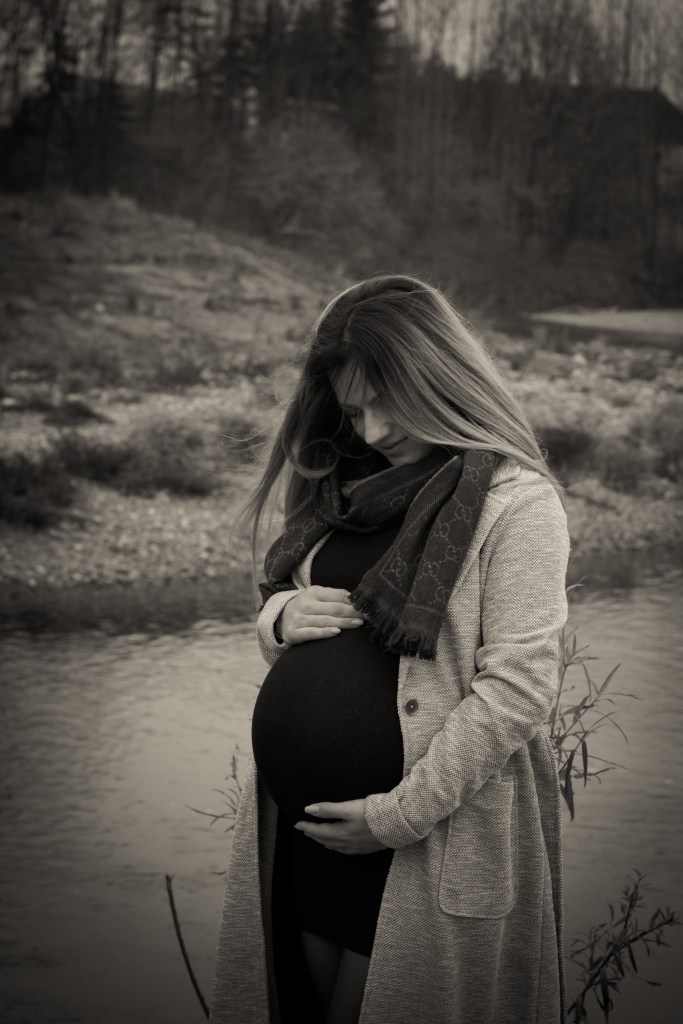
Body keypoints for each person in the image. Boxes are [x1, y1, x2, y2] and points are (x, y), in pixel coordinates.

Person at [209, 274, 571, 1024]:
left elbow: (519, 688)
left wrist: (398, 815)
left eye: (384, 402)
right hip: (309, 840)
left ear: (435, 375)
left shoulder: (517, 502)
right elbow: (290, 603)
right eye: (352, 410)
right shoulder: (345, 484)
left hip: (424, 838)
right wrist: (278, 616)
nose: (370, 431)